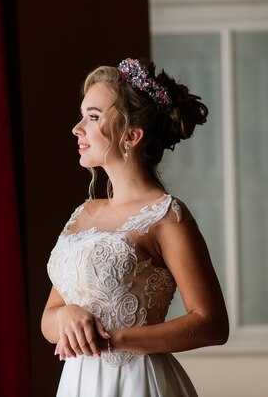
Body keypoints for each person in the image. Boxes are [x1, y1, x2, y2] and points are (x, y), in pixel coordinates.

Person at [41, 58, 229, 396]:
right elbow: (49, 319)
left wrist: (116, 339)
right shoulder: (83, 213)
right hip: (78, 384)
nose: (77, 128)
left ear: (131, 136)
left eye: (93, 117)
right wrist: (66, 316)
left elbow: (212, 324)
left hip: (137, 383)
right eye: (83, 115)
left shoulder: (167, 216)